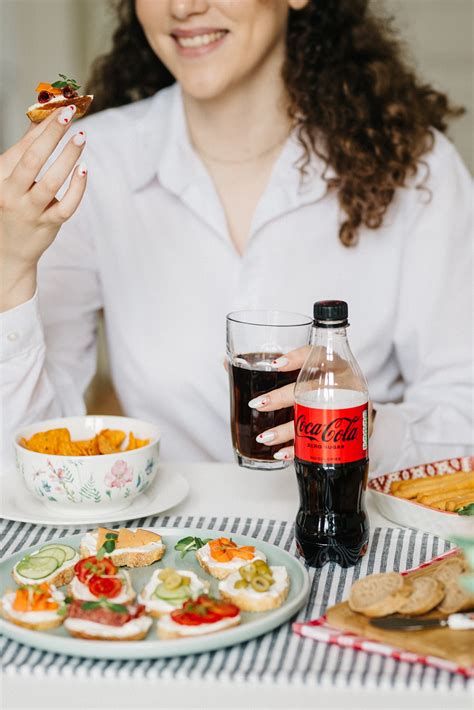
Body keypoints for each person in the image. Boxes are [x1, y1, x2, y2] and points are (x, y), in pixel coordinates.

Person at [1, 0, 472, 475]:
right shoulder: (89, 167)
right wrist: (10, 268)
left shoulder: (418, 169)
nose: (184, 6)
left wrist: (362, 424)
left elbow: (464, 417)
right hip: (174, 546)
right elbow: (28, 457)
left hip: (355, 533)